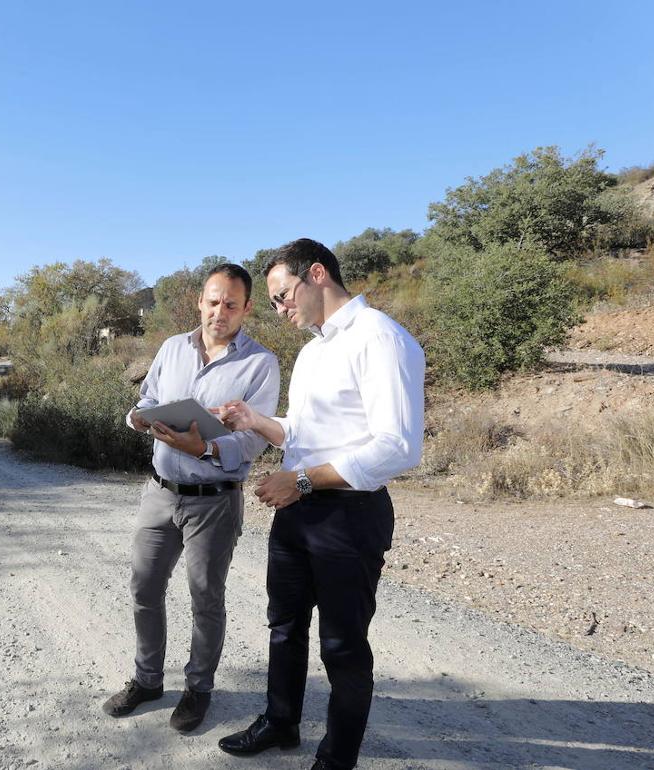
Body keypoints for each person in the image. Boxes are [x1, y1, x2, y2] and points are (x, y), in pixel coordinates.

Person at [213, 238, 425, 769]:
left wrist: (301, 482)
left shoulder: (380, 339)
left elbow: (397, 447)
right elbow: (303, 434)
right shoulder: (312, 350)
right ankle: (281, 723)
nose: (280, 309)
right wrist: (254, 421)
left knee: (342, 646)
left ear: (316, 275)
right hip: (299, 511)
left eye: (283, 295)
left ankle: (337, 759)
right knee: (284, 625)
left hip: (348, 516)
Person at [102, 263, 280, 733]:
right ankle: (148, 680)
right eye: (213, 301)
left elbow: (254, 440)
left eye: (231, 304)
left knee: (206, 598)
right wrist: (139, 419)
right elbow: (147, 398)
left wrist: (202, 447)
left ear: (246, 309)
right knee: (144, 588)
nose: (219, 312)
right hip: (159, 493)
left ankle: (198, 690)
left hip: (214, 501)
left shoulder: (261, 363)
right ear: (200, 301)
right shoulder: (171, 348)